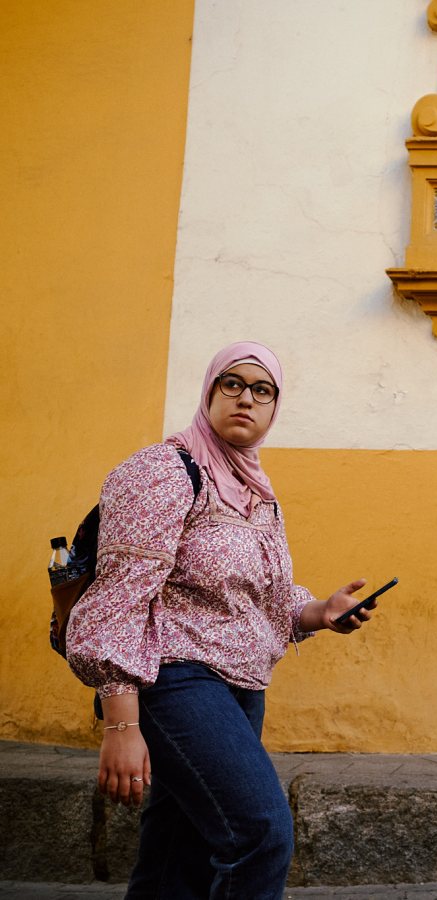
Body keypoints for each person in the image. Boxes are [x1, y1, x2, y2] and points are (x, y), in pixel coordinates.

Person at [66, 342, 380, 899]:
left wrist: (319, 612)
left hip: (239, 689)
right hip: (174, 680)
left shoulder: (254, 489)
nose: (246, 399)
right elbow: (118, 600)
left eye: (263, 391)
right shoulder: (163, 470)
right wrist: (121, 723)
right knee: (260, 832)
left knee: (176, 856)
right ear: (209, 391)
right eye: (232, 384)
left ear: (274, 408)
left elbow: (257, 596)